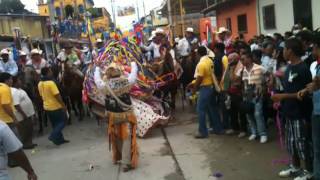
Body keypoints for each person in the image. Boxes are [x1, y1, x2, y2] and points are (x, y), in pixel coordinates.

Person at [272, 38, 313, 180]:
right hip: (288, 111)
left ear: (290, 51)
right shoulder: (289, 67)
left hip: (300, 113)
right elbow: (288, 88)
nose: (282, 52)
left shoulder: (303, 69)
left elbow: (306, 93)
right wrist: (279, 99)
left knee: (302, 143)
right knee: (291, 143)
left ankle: (309, 171)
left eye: (284, 49)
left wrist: (282, 96)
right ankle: (295, 167)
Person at [94, 61, 139, 172]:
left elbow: (97, 80)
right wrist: (133, 64)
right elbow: (134, 73)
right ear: (120, 73)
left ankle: (118, 157)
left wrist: (96, 69)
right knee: (128, 137)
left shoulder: (105, 85)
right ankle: (126, 162)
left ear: (108, 75)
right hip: (127, 115)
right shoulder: (127, 82)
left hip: (113, 116)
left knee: (117, 135)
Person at [297, 32, 320, 180]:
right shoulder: (317, 64)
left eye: (314, 47)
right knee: (317, 148)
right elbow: (316, 83)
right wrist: (306, 89)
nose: (312, 51)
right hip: (317, 110)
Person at [188, 46, 223, 138]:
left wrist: (194, 90)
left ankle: (203, 132)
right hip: (211, 87)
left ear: (198, 54)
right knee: (213, 108)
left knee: (200, 110)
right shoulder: (209, 61)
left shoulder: (201, 64)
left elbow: (199, 78)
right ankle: (218, 129)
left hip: (205, 88)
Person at [237, 52, 268, 143]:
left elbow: (270, 76)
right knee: (249, 115)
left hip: (258, 96)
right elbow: (236, 80)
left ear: (249, 59)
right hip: (247, 96)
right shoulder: (242, 70)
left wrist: (266, 86)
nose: (241, 61)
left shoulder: (259, 68)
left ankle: (263, 134)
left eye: (243, 59)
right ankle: (254, 132)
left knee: (258, 114)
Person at [38, 67, 69, 145]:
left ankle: (59, 140)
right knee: (64, 121)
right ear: (48, 72)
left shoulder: (40, 83)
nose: (51, 73)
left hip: (46, 106)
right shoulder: (51, 83)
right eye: (50, 71)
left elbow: (41, 96)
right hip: (55, 106)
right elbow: (57, 95)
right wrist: (63, 105)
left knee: (55, 124)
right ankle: (53, 135)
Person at [222, 52, 247, 137]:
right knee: (232, 111)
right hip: (231, 92)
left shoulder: (240, 66)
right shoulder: (230, 66)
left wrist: (231, 69)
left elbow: (234, 78)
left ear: (235, 59)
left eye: (230, 60)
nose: (229, 62)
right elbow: (226, 78)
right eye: (228, 60)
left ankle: (243, 130)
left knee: (241, 112)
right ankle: (234, 128)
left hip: (239, 92)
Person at [11, 76, 37, 149]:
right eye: (19, 80)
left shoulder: (20, 89)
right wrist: (24, 114)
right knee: (24, 130)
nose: (21, 81)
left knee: (29, 129)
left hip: (28, 114)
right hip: (22, 116)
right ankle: (25, 144)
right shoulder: (14, 91)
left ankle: (29, 142)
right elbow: (16, 105)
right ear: (15, 82)